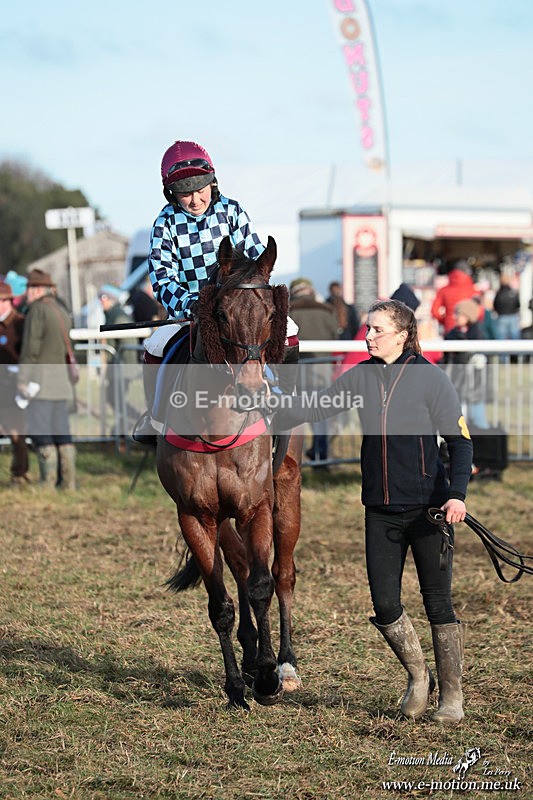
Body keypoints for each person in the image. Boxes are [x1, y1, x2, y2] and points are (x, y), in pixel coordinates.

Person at [269, 299, 473, 724]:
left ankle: (451, 697)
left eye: (378, 330)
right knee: (384, 605)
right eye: (368, 329)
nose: (368, 336)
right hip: (379, 511)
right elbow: (316, 407)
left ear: (402, 334)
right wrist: (269, 401)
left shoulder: (433, 380)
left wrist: (456, 495)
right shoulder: (360, 376)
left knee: (438, 603)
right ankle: (419, 677)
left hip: (430, 511)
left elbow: (460, 442)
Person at [133, 139, 299, 444]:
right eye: (185, 194)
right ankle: (154, 417)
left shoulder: (232, 211)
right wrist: (191, 304)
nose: (195, 200)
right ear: (172, 193)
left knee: (289, 329)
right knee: (155, 345)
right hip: (190, 310)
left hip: (237, 308)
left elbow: (256, 255)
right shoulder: (164, 223)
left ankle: (284, 397)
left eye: (201, 190)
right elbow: (162, 278)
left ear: (213, 184)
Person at [17, 269, 76, 490]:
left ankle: (47, 482)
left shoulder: (37, 310)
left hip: (40, 382)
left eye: (30, 288)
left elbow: (31, 349)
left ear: (38, 289)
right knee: (62, 431)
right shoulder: (60, 308)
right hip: (61, 382)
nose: (27, 292)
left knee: (41, 431)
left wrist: (23, 378)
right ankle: (68, 482)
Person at [289, 278, 337, 464]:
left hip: (297, 372)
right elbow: (334, 336)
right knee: (320, 416)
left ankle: (294, 458)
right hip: (322, 371)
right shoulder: (327, 311)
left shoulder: (291, 312)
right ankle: (321, 455)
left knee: (294, 416)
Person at [443, 299, 490, 430]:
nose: (455, 317)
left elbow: (483, 357)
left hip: (475, 382)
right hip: (457, 381)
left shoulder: (477, 334)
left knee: (477, 413)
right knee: (459, 417)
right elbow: (446, 358)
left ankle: (482, 438)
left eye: (459, 314)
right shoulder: (452, 334)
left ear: (468, 316)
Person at [98, 285, 140, 435]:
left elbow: (127, 344)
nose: (101, 301)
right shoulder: (111, 314)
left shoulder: (118, 316)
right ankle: (125, 425)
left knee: (115, 398)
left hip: (123, 367)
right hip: (119, 366)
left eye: (104, 297)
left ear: (112, 299)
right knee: (114, 398)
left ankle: (137, 420)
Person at [0, 280, 30, 485]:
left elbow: (27, 355)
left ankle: (20, 472)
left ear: (6, 300)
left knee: (16, 434)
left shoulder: (19, 323)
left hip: (12, 389)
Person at [431, 260, 476, 334]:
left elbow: (434, 311)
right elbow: (480, 313)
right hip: (468, 329)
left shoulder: (443, 290)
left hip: (449, 327)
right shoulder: (473, 290)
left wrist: (445, 320)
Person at [493, 272, 521, 341]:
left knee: (501, 338)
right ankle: (515, 351)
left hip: (503, 316)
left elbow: (495, 304)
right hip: (511, 316)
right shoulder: (512, 292)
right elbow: (518, 304)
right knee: (515, 337)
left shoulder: (499, 293)